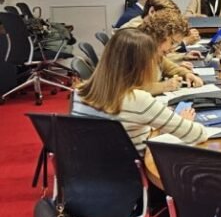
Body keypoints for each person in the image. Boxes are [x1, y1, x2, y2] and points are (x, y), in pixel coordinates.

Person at [71, 28, 207, 155]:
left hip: (82, 174)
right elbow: (198, 135)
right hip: (132, 175)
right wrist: (184, 121)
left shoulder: (79, 92)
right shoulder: (139, 101)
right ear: (142, 65)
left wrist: (156, 120)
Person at [138, 10, 203, 94]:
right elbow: (135, 89)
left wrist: (187, 74)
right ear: (161, 35)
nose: (172, 49)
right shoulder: (138, 50)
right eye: (172, 43)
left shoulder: (156, 54)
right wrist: (165, 86)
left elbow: (171, 68)